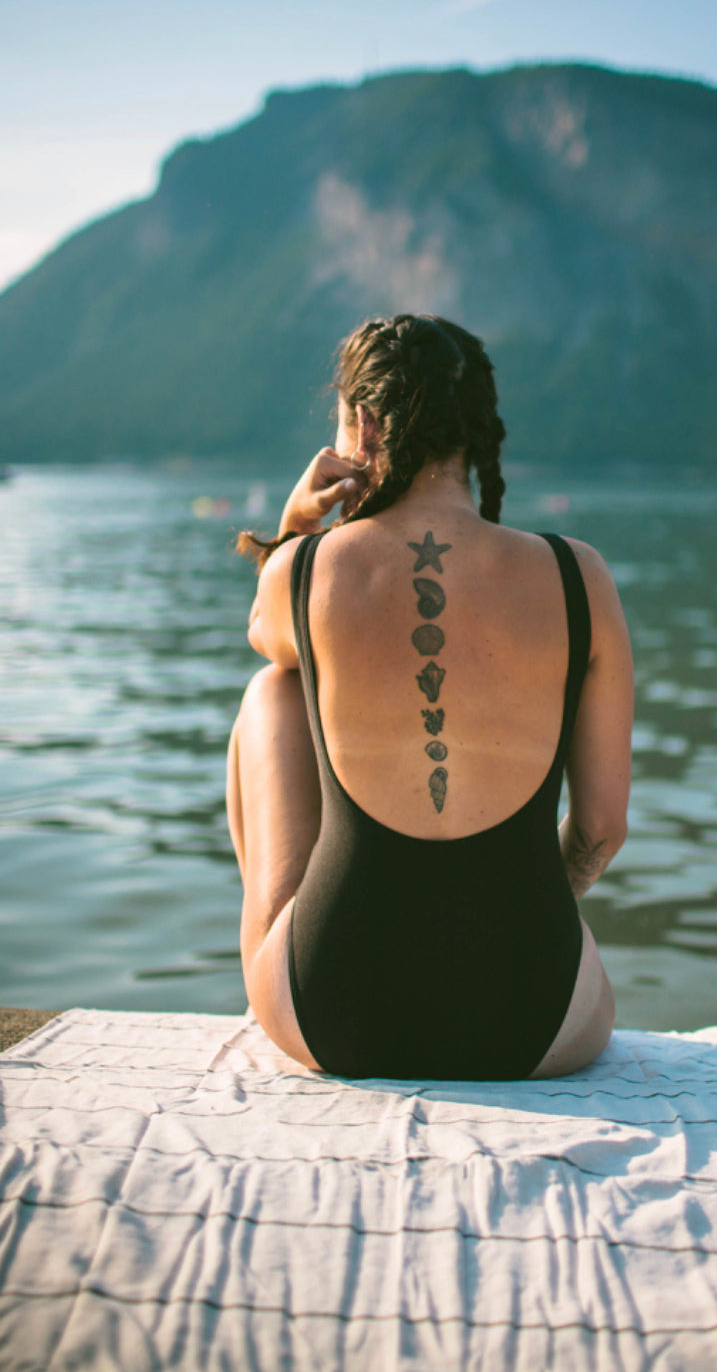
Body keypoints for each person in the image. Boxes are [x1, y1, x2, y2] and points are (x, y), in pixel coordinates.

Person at [226, 314, 633, 1079]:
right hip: (535, 1020)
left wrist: (295, 525)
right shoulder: (582, 576)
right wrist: (526, 905)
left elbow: (264, 631)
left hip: (333, 1011)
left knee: (272, 691)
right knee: (283, 682)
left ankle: (272, 959)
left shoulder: (307, 570)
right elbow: (604, 827)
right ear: (478, 432)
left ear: (364, 425)